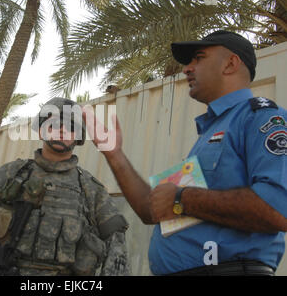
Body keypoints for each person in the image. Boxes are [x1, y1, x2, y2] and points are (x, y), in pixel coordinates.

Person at [83, 30, 287, 275]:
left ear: (231, 63)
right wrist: (114, 154)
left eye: (198, 58)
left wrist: (181, 199)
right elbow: (154, 209)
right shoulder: (210, 134)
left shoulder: (261, 118)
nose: (186, 69)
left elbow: (278, 208)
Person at [0, 98, 129, 276]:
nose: (61, 129)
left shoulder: (90, 188)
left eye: (70, 126)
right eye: (54, 124)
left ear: (78, 136)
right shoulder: (13, 173)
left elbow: (116, 241)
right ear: (41, 130)